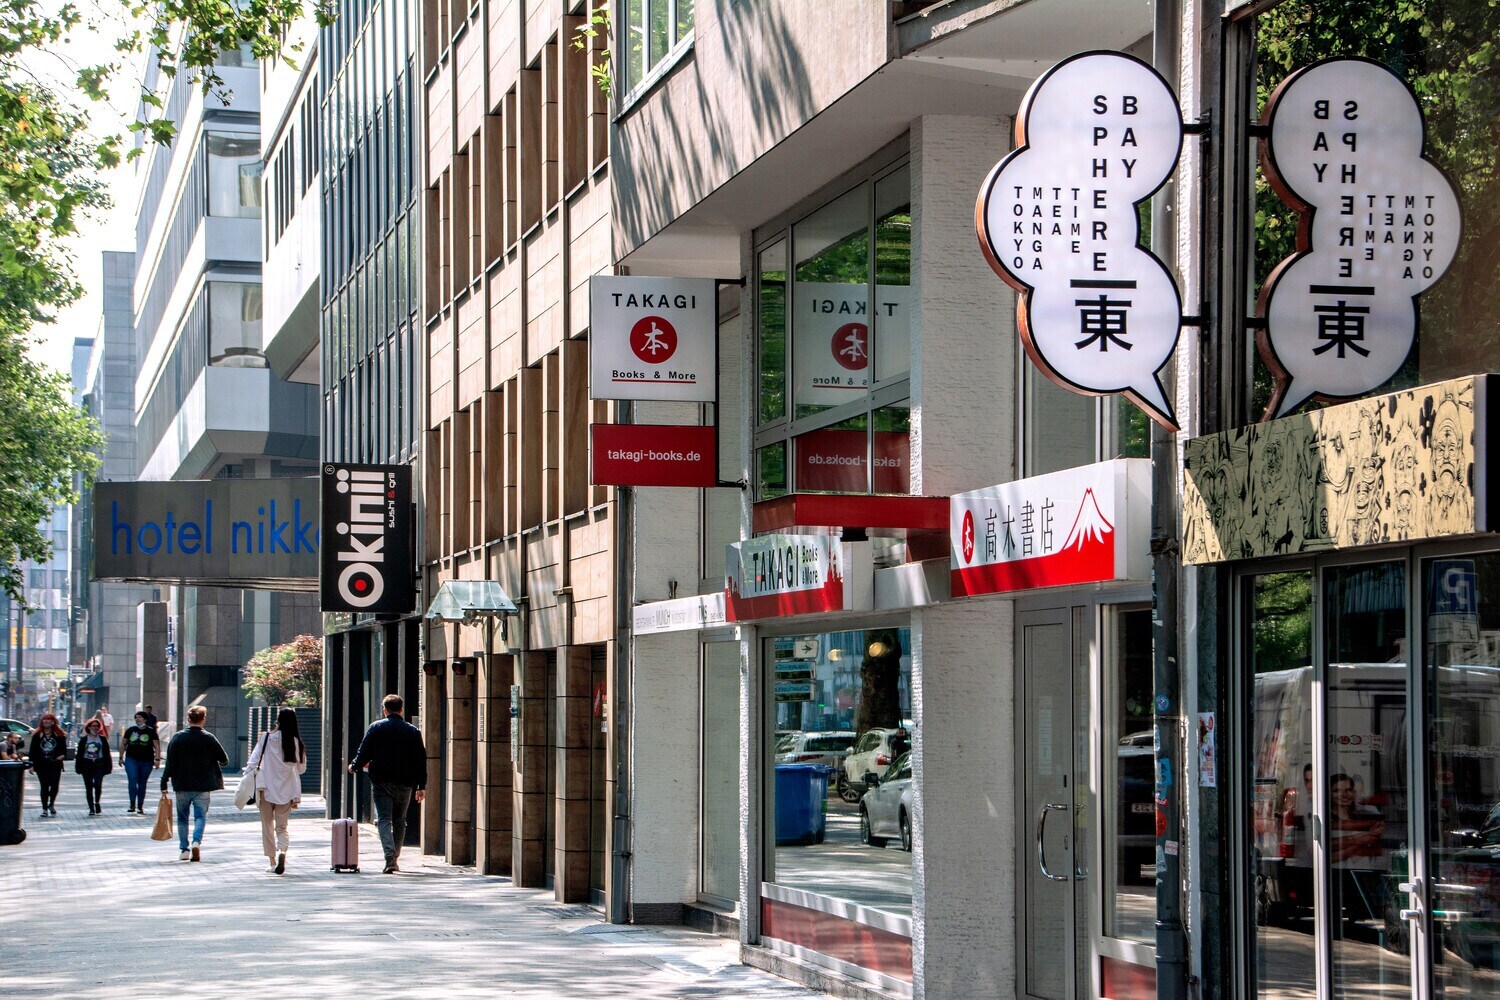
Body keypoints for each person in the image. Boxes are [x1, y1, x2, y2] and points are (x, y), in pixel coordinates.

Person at [349, 694, 427, 874]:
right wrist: (421, 785)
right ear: (401, 710)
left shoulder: (376, 727)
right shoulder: (413, 731)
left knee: (384, 819)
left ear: (385, 710)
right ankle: (395, 856)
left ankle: (389, 857)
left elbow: (364, 751)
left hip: (381, 781)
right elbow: (420, 760)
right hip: (405, 782)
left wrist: (354, 766)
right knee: (400, 820)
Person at [159, 705, 228, 862]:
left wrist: (164, 782)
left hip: (182, 784)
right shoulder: (209, 738)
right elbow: (224, 759)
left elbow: (170, 763)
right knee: (200, 816)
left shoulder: (177, 738)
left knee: (182, 818)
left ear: (188, 719)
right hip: (203, 785)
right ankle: (196, 842)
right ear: (203, 719)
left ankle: (184, 849)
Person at [246, 708, 308, 875]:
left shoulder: (266, 738)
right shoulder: (296, 742)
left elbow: (253, 761)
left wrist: (246, 778)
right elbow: (301, 769)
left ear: (278, 720)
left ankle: (272, 862)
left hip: (266, 788)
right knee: (282, 827)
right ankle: (282, 851)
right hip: (287, 791)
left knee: (267, 826)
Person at [119, 712, 161, 814]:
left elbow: (156, 745)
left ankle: (140, 805)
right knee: (132, 779)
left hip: (146, 760)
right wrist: (121, 757)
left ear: (145, 719)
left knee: (142, 782)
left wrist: (157, 759)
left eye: (140, 717)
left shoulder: (151, 731)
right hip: (131, 759)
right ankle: (132, 803)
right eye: (136, 717)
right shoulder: (130, 730)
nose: (137, 719)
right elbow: (123, 743)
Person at [28, 713, 67, 816]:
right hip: (41, 764)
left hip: (55, 764)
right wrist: (31, 765)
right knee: (44, 786)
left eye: (48, 719)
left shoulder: (59, 734)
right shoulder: (37, 735)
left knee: (54, 785)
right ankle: (44, 808)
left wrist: (61, 756)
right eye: (44, 719)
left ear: (53, 721)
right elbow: (32, 751)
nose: (46, 721)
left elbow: (64, 750)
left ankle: (51, 804)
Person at [74, 718, 113, 814]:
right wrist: (78, 767)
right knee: (88, 787)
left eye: (97, 726)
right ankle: (91, 808)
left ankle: (97, 802)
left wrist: (109, 766)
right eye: (93, 726)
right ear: (89, 727)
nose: (95, 728)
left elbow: (107, 753)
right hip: (86, 764)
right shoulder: (84, 740)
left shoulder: (102, 739)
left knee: (98, 784)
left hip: (99, 763)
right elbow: (79, 754)